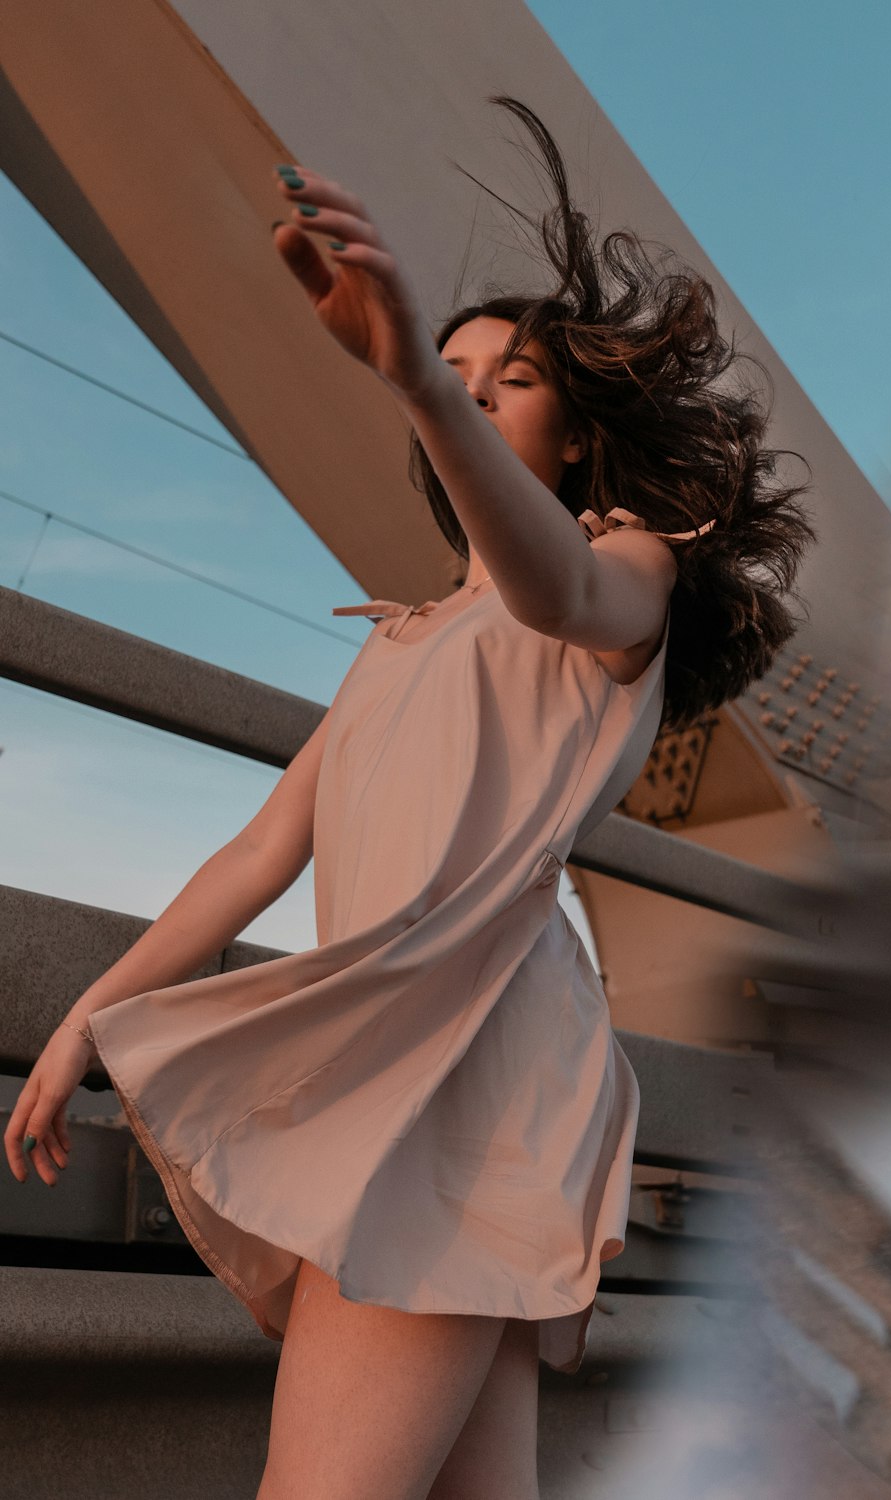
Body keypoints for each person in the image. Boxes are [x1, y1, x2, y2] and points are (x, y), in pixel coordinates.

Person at [4, 98, 814, 1500]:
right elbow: (262, 846)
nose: (473, 385)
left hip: (466, 1066)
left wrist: (411, 381)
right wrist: (85, 1018)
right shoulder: (402, 640)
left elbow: (556, 584)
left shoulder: (626, 572)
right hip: (414, 1066)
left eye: (509, 378)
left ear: (575, 435)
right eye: (454, 369)